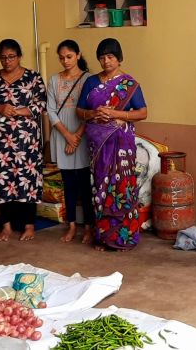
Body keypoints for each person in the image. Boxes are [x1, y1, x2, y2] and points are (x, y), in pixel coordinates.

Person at [75, 38, 148, 251]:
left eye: (110, 57)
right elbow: (79, 110)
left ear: (119, 58)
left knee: (122, 187)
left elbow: (143, 112)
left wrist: (117, 114)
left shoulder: (129, 84)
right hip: (98, 144)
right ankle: (104, 237)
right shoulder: (91, 82)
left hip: (121, 144)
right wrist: (93, 113)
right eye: (102, 57)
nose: (106, 61)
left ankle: (124, 238)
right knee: (101, 187)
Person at [0, 39, 47, 242]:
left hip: (27, 142)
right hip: (0, 141)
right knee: (3, 180)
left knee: (27, 179)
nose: (7, 61)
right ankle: (6, 226)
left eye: (11, 57)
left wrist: (18, 111)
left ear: (19, 56)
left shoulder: (33, 77)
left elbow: (42, 104)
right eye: (3, 57)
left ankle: (29, 225)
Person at [46, 40, 94, 244]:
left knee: (84, 183)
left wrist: (76, 136)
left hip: (82, 133)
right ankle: (72, 225)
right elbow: (50, 110)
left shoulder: (88, 79)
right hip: (61, 134)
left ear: (78, 55)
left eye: (69, 56)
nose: (65, 61)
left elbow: (90, 110)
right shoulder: (54, 80)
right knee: (68, 183)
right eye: (61, 57)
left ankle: (89, 227)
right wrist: (67, 136)